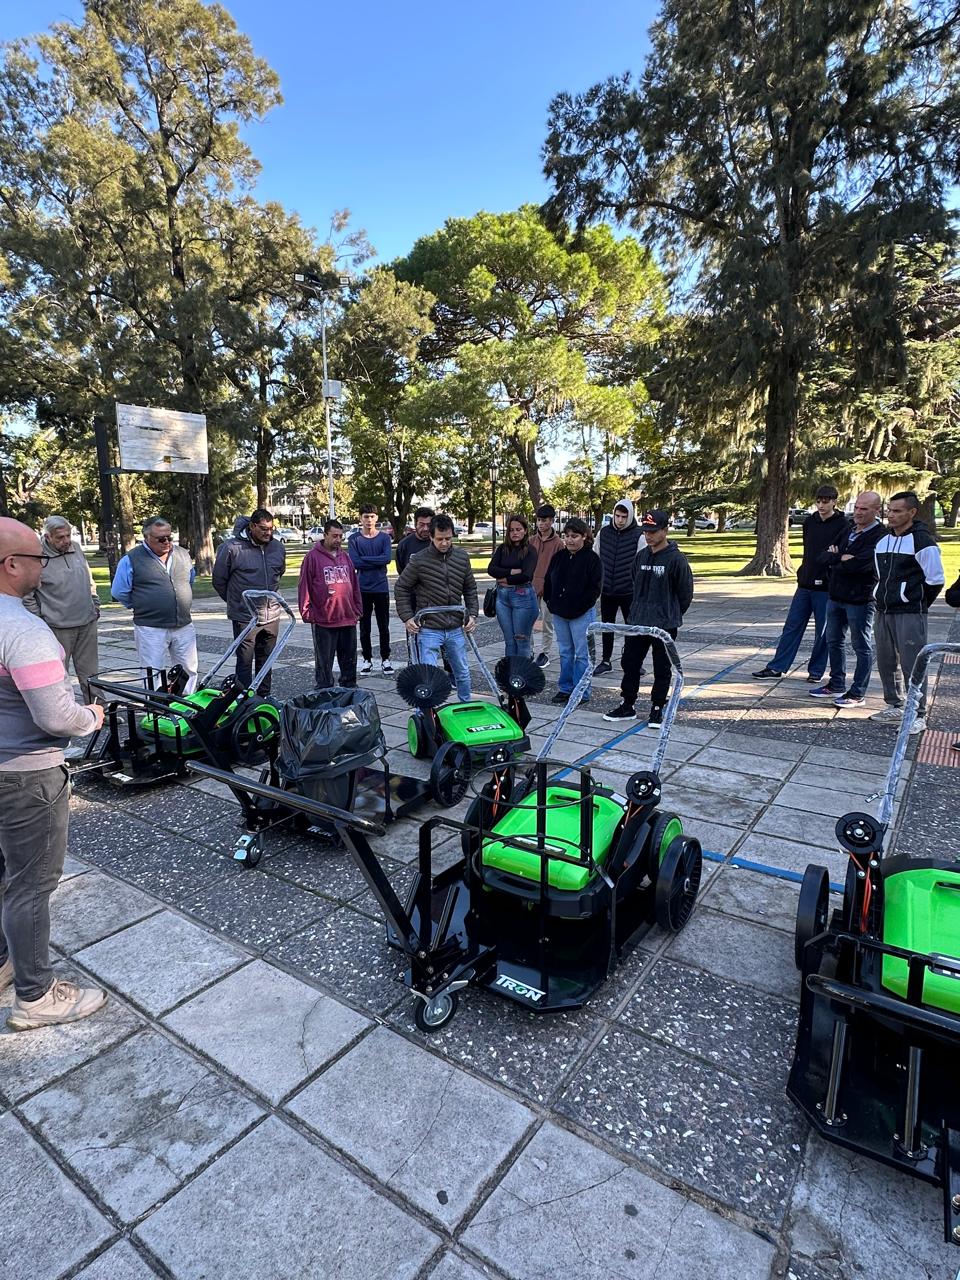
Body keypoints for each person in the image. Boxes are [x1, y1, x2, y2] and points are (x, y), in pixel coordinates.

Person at [0, 517, 107, 1031]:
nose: (45, 565)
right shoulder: (22, 629)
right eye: (37, 558)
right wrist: (92, 718)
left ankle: (4, 961)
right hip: (27, 776)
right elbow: (56, 717)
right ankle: (36, 995)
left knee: (4, 875)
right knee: (31, 884)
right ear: (11, 564)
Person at [603, 509, 693, 726]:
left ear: (665, 530)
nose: (648, 535)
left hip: (664, 625)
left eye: (653, 531)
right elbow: (635, 582)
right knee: (630, 663)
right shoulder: (641, 556)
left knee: (662, 667)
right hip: (638, 622)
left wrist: (670, 614)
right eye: (646, 531)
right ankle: (627, 704)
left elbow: (685, 593)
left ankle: (657, 707)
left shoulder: (676, 559)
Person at [753, 485, 847, 683]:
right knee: (792, 627)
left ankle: (816, 671)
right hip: (805, 583)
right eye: (818, 501)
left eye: (825, 501)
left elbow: (839, 553)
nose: (821, 505)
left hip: (826, 586)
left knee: (823, 631)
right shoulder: (810, 521)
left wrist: (832, 558)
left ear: (834, 502)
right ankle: (777, 667)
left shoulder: (843, 524)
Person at [870, 491, 945, 734]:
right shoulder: (883, 540)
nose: (890, 515)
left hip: (910, 612)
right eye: (889, 510)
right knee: (886, 661)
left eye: (897, 511)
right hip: (883, 610)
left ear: (912, 512)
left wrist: (915, 603)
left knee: (913, 663)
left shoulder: (923, 541)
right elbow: (879, 576)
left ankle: (918, 714)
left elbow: (935, 580)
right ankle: (894, 704)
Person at [812, 492, 885, 708]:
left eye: (864, 509)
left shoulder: (880, 535)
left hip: (860, 599)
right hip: (836, 595)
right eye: (857, 507)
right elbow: (822, 556)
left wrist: (836, 559)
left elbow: (861, 565)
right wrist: (839, 557)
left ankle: (857, 692)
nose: (858, 512)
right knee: (833, 641)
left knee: (861, 645)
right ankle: (836, 684)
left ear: (876, 510)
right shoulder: (848, 529)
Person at [395, 514, 478, 702]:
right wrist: (407, 617)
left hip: (455, 626)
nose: (444, 543)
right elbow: (401, 587)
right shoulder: (419, 560)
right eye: (440, 539)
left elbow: (470, 588)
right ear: (431, 537)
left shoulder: (462, 557)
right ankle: (427, 710)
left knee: (462, 671)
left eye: (448, 538)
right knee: (428, 675)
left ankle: (466, 704)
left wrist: (472, 614)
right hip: (429, 628)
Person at [111, 516, 198, 692]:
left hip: (183, 624)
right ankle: (155, 706)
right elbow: (119, 591)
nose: (166, 542)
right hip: (150, 627)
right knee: (152, 672)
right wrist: (143, 605)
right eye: (160, 539)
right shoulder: (131, 559)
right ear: (147, 537)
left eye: (169, 537)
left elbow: (189, 579)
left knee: (189, 669)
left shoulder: (182, 554)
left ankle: (187, 702)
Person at [23, 515, 100, 703]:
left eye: (68, 535)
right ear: (47, 537)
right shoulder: (37, 557)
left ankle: (100, 710)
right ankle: (64, 712)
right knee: (58, 676)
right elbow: (27, 595)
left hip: (86, 621)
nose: (66, 541)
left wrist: (95, 603)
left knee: (91, 674)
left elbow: (88, 580)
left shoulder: (76, 548)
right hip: (57, 627)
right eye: (60, 538)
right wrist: (40, 620)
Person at [211, 508, 286, 695]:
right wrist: (236, 602)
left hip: (271, 614)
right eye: (263, 529)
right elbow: (219, 580)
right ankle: (243, 699)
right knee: (244, 661)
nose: (268, 533)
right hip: (245, 617)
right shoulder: (232, 548)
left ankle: (263, 697)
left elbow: (279, 573)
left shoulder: (277, 547)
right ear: (252, 526)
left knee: (266, 660)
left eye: (271, 529)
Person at [542, 517, 603, 705]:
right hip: (560, 613)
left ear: (584, 536)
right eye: (567, 536)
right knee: (565, 652)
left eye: (574, 536)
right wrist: (550, 602)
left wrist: (581, 606)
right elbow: (548, 580)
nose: (569, 540)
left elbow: (595, 588)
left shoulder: (592, 559)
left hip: (581, 614)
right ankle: (565, 688)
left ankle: (581, 690)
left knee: (582, 655)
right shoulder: (559, 557)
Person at [298, 519, 362, 690]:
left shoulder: (345, 557)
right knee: (324, 664)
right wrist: (307, 612)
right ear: (325, 535)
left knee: (349, 662)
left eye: (340, 536)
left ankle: (349, 692)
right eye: (334, 536)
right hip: (324, 620)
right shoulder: (312, 557)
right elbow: (304, 586)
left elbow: (354, 584)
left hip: (347, 617)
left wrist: (357, 608)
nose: (338, 540)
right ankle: (324, 693)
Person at [594, 499, 643, 676]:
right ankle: (606, 660)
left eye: (624, 516)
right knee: (607, 626)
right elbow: (595, 556)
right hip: (607, 589)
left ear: (630, 516)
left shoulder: (639, 535)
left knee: (632, 627)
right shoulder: (604, 533)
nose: (620, 520)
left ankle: (631, 660)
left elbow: (641, 562)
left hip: (629, 590)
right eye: (617, 516)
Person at [348, 505, 394, 675]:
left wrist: (365, 559)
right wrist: (376, 560)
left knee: (384, 625)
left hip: (381, 587)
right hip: (362, 588)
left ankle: (385, 658)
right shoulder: (354, 539)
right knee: (364, 626)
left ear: (377, 518)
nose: (369, 520)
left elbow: (387, 558)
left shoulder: (384, 538)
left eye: (372, 516)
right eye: (366, 516)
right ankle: (367, 659)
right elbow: (355, 562)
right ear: (360, 518)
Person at [487, 514, 539, 659]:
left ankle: (522, 671)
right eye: (511, 530)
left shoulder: (530, 550)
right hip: (503, 597)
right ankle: (511, 671)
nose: (515, 533)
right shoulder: (503, 549)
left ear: (525, 530)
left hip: (522, 597)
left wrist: (504, 579)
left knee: (521, 641)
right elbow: (491, 569)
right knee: (509, 641)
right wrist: (511, 572)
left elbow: (526, 575)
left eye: (518, 529)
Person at [531, 504, 562, 669]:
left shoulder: (558, 543)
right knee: (527, 620)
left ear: (551, 521)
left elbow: (559, 568)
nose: (541, 523)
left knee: (547, 622)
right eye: (538, 520)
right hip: (531, 588)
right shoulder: (531, 541)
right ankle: (528, 650)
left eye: (544, 520)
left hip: (549, 589)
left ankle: (545, 653)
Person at [395, 506, 434, 579]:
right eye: (421, 524)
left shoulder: (438, 543)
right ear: (415, 524)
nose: (425, 529)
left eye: (429, 525)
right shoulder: (404, 545)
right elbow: (401, 570)